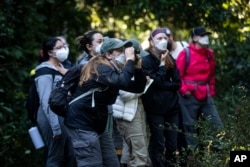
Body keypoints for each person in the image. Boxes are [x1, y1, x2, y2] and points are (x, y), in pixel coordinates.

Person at [64, 37, 147, 167]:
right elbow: (123, 82)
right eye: (120, 51)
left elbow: (138, 88)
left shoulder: (113, 70)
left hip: (98, 126)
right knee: (92, 164)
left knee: (112, 163)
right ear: (108, 54)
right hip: (82, 125)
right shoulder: (100, 68)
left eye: (126, 50)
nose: (125, 53)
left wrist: (137, 68)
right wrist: (130, 60)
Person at [176, 26, 223, 155]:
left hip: (205, 93)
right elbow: (177, 77)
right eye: (202, 35)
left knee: (216, 125)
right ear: (194, 38)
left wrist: (211, 91)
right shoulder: (185, 53)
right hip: (189, 95)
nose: (205, 37)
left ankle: (218, 155)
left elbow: (211, 75)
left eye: (206, 35)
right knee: (190, 127)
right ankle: (194, 157)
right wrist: (184, 90)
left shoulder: (209, 53)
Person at [141, 28, 181, 167]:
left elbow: (177, 84)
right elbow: (154, 83)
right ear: (151, 42)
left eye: (165, 38)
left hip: (172, 109)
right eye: (159, 38)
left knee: (172, 145)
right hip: (155, 109)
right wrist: (162, 65)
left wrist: (162, 83)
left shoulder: (172, 59)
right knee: (158, 143)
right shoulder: (145, 60)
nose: (163, 41)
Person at [35, 37, 76, 167]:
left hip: (63, 114)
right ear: (50, 53)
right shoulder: (44, 72)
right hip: (50, 116)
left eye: (64, 46)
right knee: (55, 155)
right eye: (59, 48)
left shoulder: (62, 68)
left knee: (71, 154)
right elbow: (46, 100)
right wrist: (55, 128)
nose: (64, 49)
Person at [112, 38, 151, 167]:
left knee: (133, 153)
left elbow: (136, 87)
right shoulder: (117, 65)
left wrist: (139, 71)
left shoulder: (133, 65)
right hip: (126, 115)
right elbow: (124, 94)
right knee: (139, 155)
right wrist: (146, 85)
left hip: (133, 112)